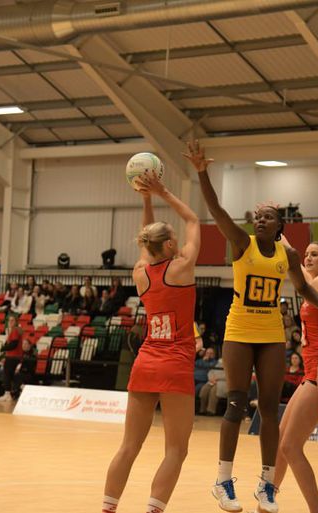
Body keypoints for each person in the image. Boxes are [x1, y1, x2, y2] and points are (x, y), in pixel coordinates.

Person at [186, 140, 318, 513]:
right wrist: (202, 172)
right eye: (258, 217)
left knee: (269, 409)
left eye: (268, 217)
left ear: (280, 225)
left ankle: (267, 486)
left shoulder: (288, 254)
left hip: (271, 334)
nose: (261, 221)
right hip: (239, 330)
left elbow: (303, 288)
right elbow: (216, 209)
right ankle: (223, 481)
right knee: (236, 402)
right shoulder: (242, 243)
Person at [101, 169, 200, 513]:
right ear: (170, 245)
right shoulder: (182, 268)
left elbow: (147, 243)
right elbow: (194, 220)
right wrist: (163, 192)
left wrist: (146, 199)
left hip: (145, 361)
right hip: (175, 364)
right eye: (173, 236)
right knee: (176, 449)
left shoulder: (141, 273)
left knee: (129, 446)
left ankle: (108, 509)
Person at [273, 242, 318, 513]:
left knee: (290, 446)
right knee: (281, 441)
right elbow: (296, 263)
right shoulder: (313, 283)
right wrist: (280, 237)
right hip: (312, 370)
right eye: (306, 254)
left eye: (315, 254)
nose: (308, 258)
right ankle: (267, 502)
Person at [0, 315, 23, 402]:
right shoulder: (16, 330)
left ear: (16, 322)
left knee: (7, 375)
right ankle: (16, 389)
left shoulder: (15, 330)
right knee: (10, 375)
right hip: (14, 356)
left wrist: (4, 348)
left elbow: (14, 344)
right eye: (9, 320)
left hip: (12, 356)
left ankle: (7, 394)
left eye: (12, 320)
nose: (10, 322)